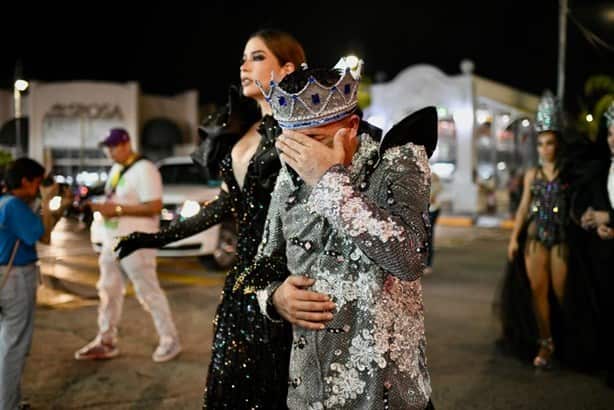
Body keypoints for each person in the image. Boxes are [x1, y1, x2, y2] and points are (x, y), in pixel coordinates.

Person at [114, 30, 307, 408]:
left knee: (275, 388)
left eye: (256, 57)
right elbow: (224, 206)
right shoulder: (243, 130)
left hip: (283, 286)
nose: (244, 66)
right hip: (240, 285)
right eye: (242, 59)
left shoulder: (301, 133)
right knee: (233, 384)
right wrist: (154, 237)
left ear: (287, 68)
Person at [244, 60, 437, 409]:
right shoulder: (288, 177)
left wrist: (329, 180)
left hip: (386, 396)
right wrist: (275, 299)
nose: (302, 159)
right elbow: (261, 267)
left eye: (315, 142)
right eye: (292, 146)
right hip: (309, 395)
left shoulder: (397, 161)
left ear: (351, 126)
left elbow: (409, 258)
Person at [74, 128, 181, 363]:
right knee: (108, 290)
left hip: (137, 241)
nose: (109, 152)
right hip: (113, 239)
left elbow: (154, 205)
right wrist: (103, 206)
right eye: (107, 147)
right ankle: (106, 340)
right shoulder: (117, 169)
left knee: (148, 291)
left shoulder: (145, 169)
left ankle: (169, 340)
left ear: (126, 144)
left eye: (113, 147)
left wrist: (118, 210)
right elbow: (118, 199)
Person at [502, 91, 570, 369]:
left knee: (562, 291)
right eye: (541, 144)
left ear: (558, 145)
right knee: (537, 290)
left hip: (561, 239)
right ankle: (546, 341)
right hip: (535, 237)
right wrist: (514, 238)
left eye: (550, 143)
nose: (545, 149)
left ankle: (565, 340)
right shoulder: (533, 175)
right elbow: (522, 209)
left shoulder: (568, 173)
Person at [0, 157, 72, 410]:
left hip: (8, 278)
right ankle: (8, 405)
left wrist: (59, 206)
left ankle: (9, 400)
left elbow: (43, 231)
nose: (42, 187)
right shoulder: (14, 206)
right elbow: (38, 236)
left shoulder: (6, 202)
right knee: (14, 345)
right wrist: (44, 199)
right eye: (39, 183)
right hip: (15, 279)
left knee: (7, 342)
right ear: (25, 181)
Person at [425, 172, 442, 274]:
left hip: (432, 210)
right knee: (427, 237)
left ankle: (428, 264)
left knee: (429, 236)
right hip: (429, 210)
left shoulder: (433, 178)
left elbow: (432, 198)